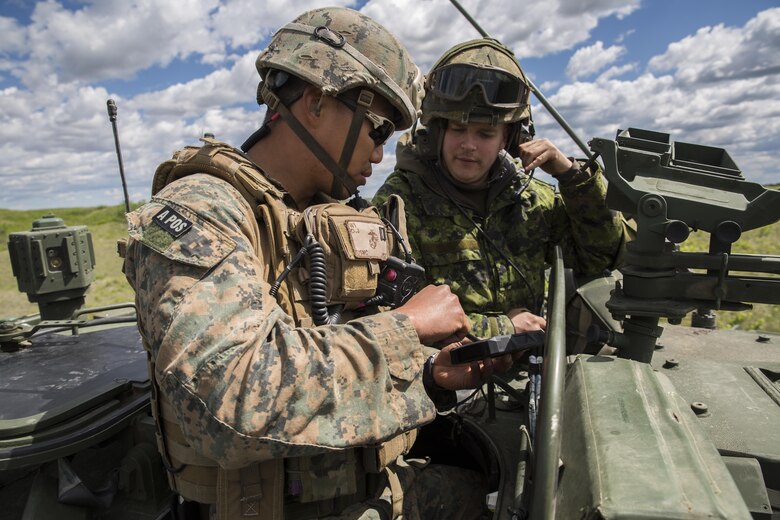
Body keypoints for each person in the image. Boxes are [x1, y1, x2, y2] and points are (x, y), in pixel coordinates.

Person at [122, 8, 514, 520]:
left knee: (493, 485)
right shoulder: (202, 210)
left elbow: (336, 352)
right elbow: (230, 399)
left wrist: (433, 376)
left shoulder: (328, 219)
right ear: (315, 103)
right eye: (377, 129)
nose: (381, 153)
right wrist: (407, 327)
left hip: (369, 491)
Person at [373, 38, 626, 340]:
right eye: (457, 129)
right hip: (442, 375)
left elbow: (600, 256)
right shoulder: (400, 202)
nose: (469, 145)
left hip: (532, 367)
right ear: (438, 131)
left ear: (508, 138)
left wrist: (571, 174)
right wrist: (503, 328)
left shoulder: (530, 199)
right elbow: (392, 314)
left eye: (485, 133)